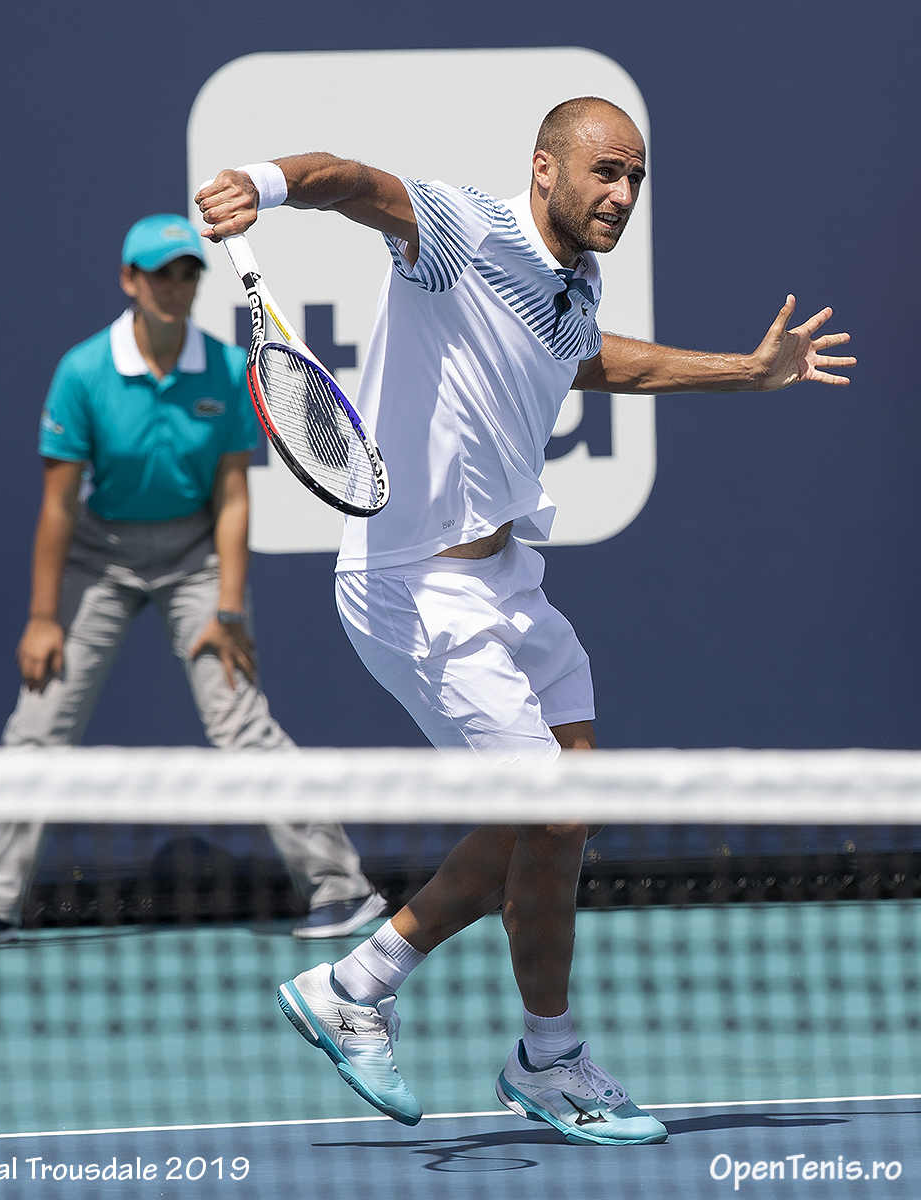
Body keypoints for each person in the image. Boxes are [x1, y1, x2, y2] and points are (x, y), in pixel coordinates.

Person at [196, 98, 854, 1144]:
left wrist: (744, 371)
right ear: (544, 168)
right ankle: (378, 993)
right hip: (410, 585)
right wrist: (265, 183)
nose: (622, 195)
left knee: (566, 810)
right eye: (604, 172)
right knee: (543, 810)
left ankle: (523, 1048)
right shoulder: (463, 233)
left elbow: (595, 360)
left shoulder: (572, 284)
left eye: (635, 178)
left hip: (505, 578)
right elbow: (354, 182)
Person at [0, 214, 386, 950]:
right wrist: (44, 617)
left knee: (240, 722)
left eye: (187, 274)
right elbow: (58, 506)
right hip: (97, 558)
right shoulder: (83, 372)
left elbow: (233, 497)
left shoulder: (225, 368)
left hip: (194, 558)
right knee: (38, 728)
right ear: (130, 281)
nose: (176, 288)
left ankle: (343, 889)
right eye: (160, 275)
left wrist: (229, 607)